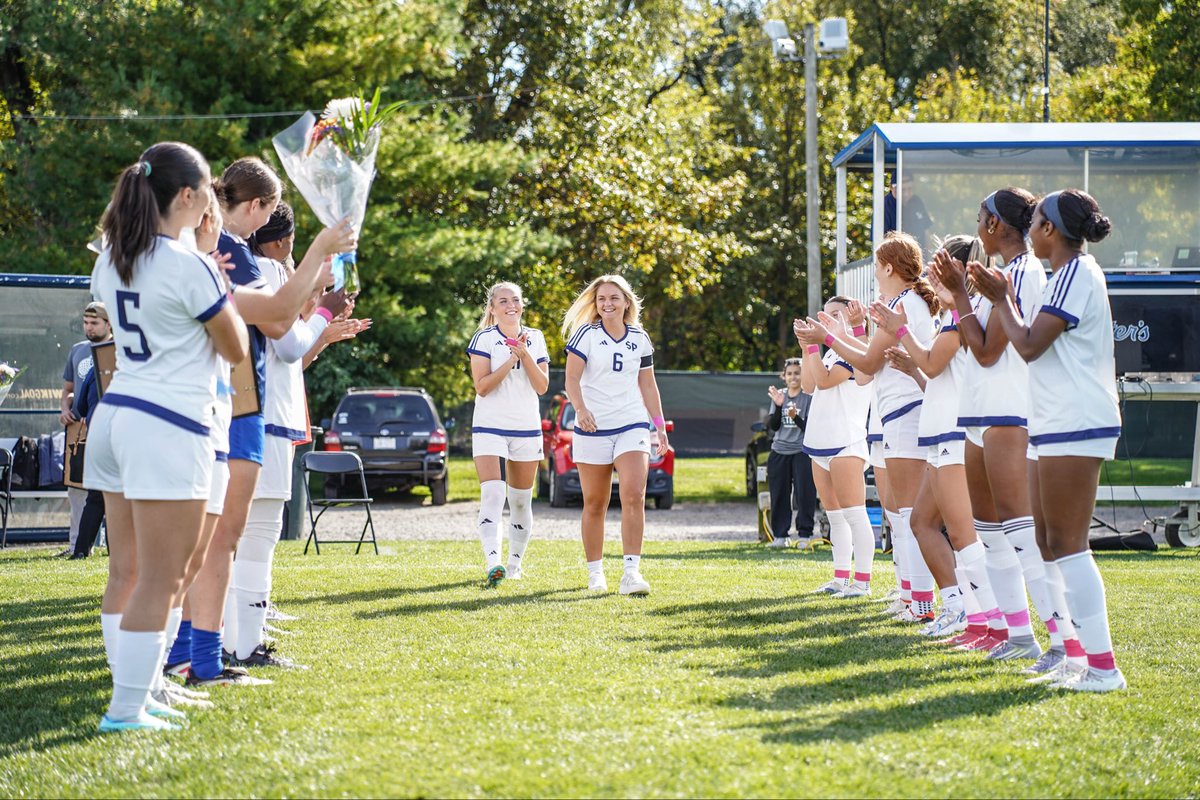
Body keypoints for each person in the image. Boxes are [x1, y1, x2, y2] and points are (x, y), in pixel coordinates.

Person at [86, 141, 249, 732]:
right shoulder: (189, 265)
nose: (213, 201)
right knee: (161, 576)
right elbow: (234, 348)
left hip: (118, 414)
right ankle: (127, 708)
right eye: (207, 189)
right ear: (186, 196)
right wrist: (208, 266)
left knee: (127, 571)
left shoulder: (112, 255)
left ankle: (143, 687)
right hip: (168, 423)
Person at [184, 157, 354, 688]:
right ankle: (230, 647)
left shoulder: (194, 249)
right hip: (244, 404)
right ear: (255, 206)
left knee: (220, 539)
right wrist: (321, 300)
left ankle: (210, 649)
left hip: (224, 402)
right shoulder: (231, 253)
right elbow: (284, 332)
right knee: (239, 537)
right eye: (270, 211)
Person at [968, 189, 1125, 693]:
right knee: (1048, 542)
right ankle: (1075, 655)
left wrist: (1000, 300)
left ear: (1051, 231)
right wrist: (1001, 299)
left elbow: (1030, 345)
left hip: (1077, 419)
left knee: (1069, 546)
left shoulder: (1078, 272)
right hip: (1053, 420)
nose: (1030, 229)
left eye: (1036, 222)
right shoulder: (1065, 274)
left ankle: (1103, 667)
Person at [930, 187, 1067, 666]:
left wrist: (962, 298)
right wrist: (955, 297)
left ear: (994, 225)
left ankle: (1059, 641)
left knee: (1020, 529)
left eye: (979, 216)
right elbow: (973, 343)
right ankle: (1019, 635)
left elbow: (989, 351)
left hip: (1008, 410)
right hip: (978, 411)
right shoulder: (998, 274)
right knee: (989, 530)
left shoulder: (1026, 271)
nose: (976, 225)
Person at [223, 202, 354, 668]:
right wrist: (322, 312)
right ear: (279, 240)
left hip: (250, 408)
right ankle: (242, 643)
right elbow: (288, 344)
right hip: (263, 410)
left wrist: (320, 322)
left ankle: (235, 636)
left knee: (240, 533)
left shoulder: (243, 265)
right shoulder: (266, 270)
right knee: (255, 531)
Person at [796, 232, 939, 622]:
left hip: (908, 410)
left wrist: (829, 336)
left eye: (876, 266)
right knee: (898, 515)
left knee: (909, 516)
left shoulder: (907, 302)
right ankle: (910, 597)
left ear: (889, 267)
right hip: (893, 414)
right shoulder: (898, 302)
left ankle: (923, 605)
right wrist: (837, 336)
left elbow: (867, 366)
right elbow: (869, 360)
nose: (874, 273)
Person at [868, 235, 1002, 641]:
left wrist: (901, 332)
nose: (928, 275)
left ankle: (987, 620)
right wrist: (911, 366)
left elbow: (930, 361)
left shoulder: (966, 314)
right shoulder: (953, 315)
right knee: (923, 523)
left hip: (956, 434)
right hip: (941, 432)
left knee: (964, 534)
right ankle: (961, 608)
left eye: (937, 268)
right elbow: (931, 377)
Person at [562, 275, 669, 595]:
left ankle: (631, 573)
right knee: (595, 503)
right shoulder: (586, 334)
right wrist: (580, 410)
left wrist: (659, 426)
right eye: (601, 299)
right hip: (592, 428)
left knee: (634, 496)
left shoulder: (640, 338)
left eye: (613, 298)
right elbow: (570, 378)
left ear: (626, 302)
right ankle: (596, 573)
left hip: (632, 425)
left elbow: (648, 385)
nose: (607, 304)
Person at [466, 282, 551, 586]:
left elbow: (542, 387)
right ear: (492, 308)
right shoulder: (484, 339)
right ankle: (494, 563)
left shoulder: (537, 338)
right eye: (503, 301)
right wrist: (510, 359)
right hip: (489, 426)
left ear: (522, 305)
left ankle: (515, 565)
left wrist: (524, 354)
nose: (510, 305)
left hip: (526, 427)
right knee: (492, 494)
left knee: (519, 501)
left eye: (515, 300)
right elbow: (483, 387)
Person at [793, 301, 873, 596]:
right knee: (834, 516)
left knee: (855, 513)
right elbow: (809, 386)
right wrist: (806, 346)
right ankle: (840, 578)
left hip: (846, 441)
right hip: (820, 441)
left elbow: (826, 382)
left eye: (835, 314)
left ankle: (862, 581)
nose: (825, 319)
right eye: (823, 313)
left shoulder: (857, 349)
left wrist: (814, 344)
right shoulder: (829, 351)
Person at [58, 301, 112, 557]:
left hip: (105, 432)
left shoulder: (115, 353)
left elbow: (80, 400)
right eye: (86, 323)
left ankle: (83, 550)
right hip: (89, 433)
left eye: (95, 323)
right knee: (93, 494)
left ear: (109, 324)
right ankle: (80, 549)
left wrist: (81, 408)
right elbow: (71, 394)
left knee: (101, 496)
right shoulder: (80, 351)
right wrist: (66, 410)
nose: (89, 328)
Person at [764, 358, 819, 548]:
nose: (793, 377)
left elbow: (810, 429)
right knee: (779, 494)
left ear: (803, 375)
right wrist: (779, 406)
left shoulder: (809, 397)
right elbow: (774, 426)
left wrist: (796, 418)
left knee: (805, 495)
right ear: (784, 376)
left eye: (797, 373)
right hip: (780, 452)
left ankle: (805, 535)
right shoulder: (779, 395)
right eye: (789, 373)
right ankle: (780, 536)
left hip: (802, 452)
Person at [883, 173, 933, 253]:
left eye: (910, 189)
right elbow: (881, 241)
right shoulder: (884, 206)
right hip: (896, 259)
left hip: (919, 257)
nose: (906, 194)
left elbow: (926, 231)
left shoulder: (917, 201)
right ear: (892, 188)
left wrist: (930, 257)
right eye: (903, 190)